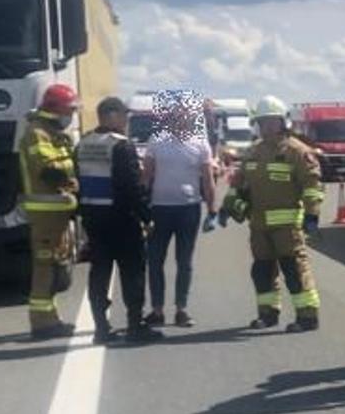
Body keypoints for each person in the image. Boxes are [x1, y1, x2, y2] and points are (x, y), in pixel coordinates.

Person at [235, 95, 324, 332]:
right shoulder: (253, 151)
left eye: (271, 122)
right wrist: (230, 205)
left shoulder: (297, 151)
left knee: (294, 270)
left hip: (287, 227)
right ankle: (268, 314)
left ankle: (307, 316)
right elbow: (241, 184)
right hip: (258, 226)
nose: (266, 127)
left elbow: (312, 185)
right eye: (262, 122)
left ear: (283, 122)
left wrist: (312, 215)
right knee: (262, 272)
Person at [75, 96, 158, 344]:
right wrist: (146, 216)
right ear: (112, 115)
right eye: (124, 116)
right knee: (132, 272)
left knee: (99, 272)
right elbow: (130, 186)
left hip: (93, 217)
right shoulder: (121, 145)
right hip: (122, 219)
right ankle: (135, 326)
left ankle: (101, 328)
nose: (126, 121)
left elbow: (77, 181)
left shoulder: (83, 143)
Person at [139, 90, 219, 328]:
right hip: (159, 210)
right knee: (155, 261)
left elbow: (208, 180)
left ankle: (181, 309)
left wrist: (212, 211)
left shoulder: (200, 143)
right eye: (175, 115)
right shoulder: (156, 141)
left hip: (188, 210)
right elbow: (146, 176)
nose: (180, 119)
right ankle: (157, 310)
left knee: (184, 261)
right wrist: (141, 208)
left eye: (185, 115)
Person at [17, 83, 81, 339]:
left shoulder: (51, 131)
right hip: (45, 213)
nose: (72, 116)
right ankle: (42, 324)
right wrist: (74, 173)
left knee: (54, 265)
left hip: (56, 213)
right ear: (56, 110)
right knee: (45, 266)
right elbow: (48, 168)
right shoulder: (38, 133)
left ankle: (50, 318)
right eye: (70, 110)